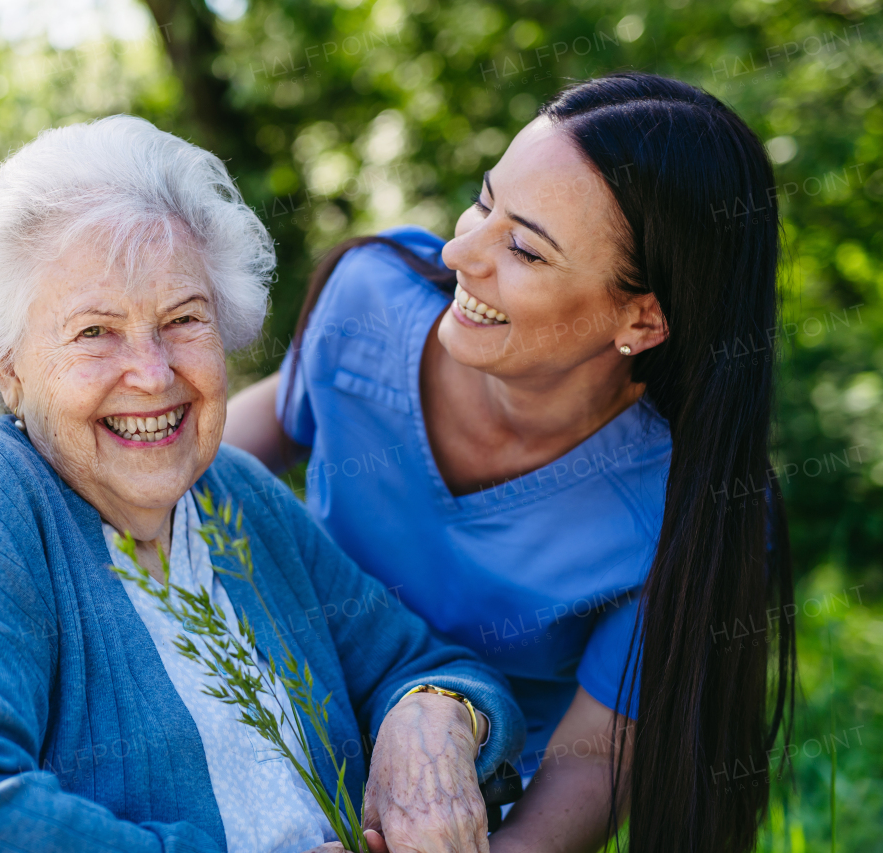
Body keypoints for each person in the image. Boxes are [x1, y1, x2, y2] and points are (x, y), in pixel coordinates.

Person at [0, 115, 525, 853]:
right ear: (9, 367)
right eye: (94, 332)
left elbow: (424, 662)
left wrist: (432, 714)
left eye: (183, 319)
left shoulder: (232, 495)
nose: (152, 373)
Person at [224, 73, 795, 853]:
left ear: (642, 318)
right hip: (276, 727)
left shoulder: (685, 503)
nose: (461, 250)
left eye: (523, 247)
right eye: (483, 201)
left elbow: (592, 768)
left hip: (480, 815)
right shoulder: (367, 300)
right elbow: (231, 440)